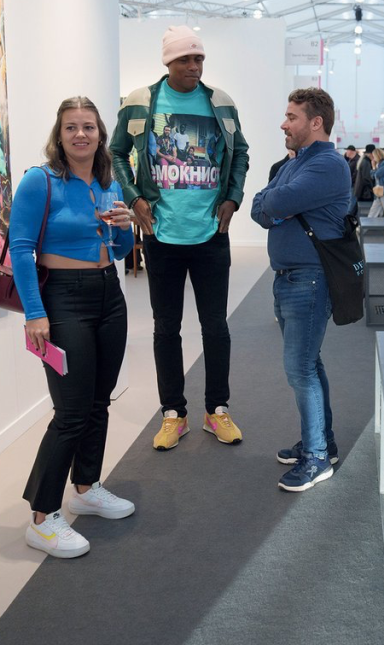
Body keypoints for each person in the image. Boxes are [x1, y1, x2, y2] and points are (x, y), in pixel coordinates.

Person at [111, 25, 249, 451]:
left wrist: (233, 197)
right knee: (166, 328)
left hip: (211, 234)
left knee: (216, 328)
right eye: (185, 60)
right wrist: (133, 197)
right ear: (167, 62)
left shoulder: (221, 102)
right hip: (161, 235)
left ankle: (217, 411)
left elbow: (240, 152)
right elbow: (116, 152)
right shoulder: (139, 102)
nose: (194, 67)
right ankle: (174, 414)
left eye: (199, 59)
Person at [14, 97, 136, 558]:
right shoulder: (38, 181)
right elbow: (22, 249)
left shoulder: (109, 182)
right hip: (62, 299)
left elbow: (120, 249)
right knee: (71, 412)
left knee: (99, 401)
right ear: (59, 135)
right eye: (71, 128)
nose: (80, 135)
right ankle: (42, 518)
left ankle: (86, 487)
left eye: (88, 127)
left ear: (100, 134)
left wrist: (126, 228)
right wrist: (34, 312)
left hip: (109, 293)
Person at [250, 87, 351, 492]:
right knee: (310, 363)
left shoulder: (327, 164)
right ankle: (321, 443)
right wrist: (276, 202)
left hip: (309, 280)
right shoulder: (298, 161)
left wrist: (277, 203)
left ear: (316, 122)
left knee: (301, 368)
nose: (283, 123)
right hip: (291, 278)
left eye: (291, 116)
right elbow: (260, 206)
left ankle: (316, 459)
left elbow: (274, 202)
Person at [349, 143, 375, 216]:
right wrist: (372, 188)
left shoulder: (363, 160)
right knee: (359, 211)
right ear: (371, 154)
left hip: (360, 190)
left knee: (355, 210)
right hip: (365, 192)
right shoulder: (366, 162)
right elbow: (366, 178)